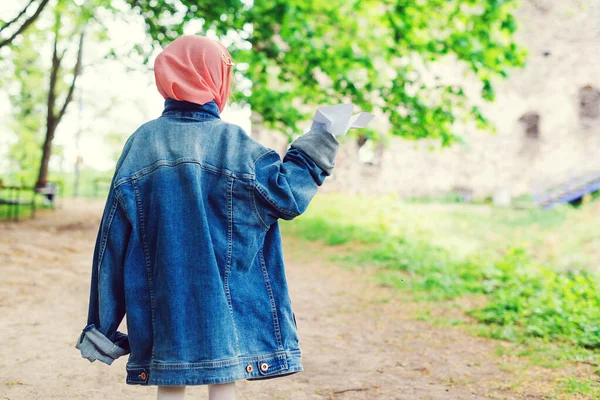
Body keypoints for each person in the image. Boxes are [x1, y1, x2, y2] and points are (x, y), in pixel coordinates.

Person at [74, 35, 344, 400]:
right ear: (217, 79)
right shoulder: (237, 144)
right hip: (225, 308)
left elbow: (112, 242)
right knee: (223, 382)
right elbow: (288, 195)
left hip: (164, 303)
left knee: (169, 382)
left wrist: (101, 329)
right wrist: (323, 136)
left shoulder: (142, 143)